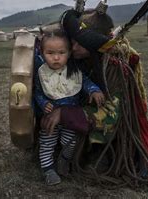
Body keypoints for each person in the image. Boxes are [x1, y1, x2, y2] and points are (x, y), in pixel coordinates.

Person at [40, 8, 148, 189]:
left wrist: (64, 114)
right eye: (73, 41)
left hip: (109, 133)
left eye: (80, 43)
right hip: (74, 118)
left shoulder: (115, 67)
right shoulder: (74, 55)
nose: (73, 48)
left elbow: (109, 117)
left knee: (98, 162)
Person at [34, 29, 105, 185]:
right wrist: (43, 103)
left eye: (61, 52)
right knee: (47, 142)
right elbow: (37, 93)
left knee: (71, 141)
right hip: (50, 117)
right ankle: (48, 170)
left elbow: (85, 82)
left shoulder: (74, 70)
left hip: (70, 119)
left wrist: (94, 90)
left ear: (69, 53)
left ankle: (64, 160)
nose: (56, 57)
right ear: (42, 52)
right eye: (50, 53)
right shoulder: (42, 73)